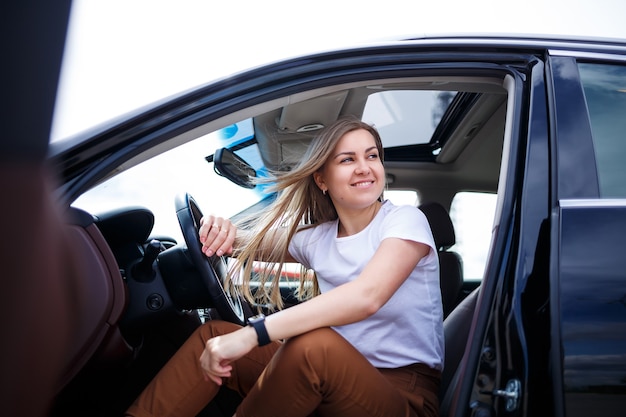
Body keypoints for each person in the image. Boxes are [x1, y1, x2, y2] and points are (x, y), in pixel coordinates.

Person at [125, 116, 444, 417]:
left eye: (371, 156)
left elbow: (367, 296)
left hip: (402, 396)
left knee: (312, 345)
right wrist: (216, 227)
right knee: (214, 339)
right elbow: (242, 242)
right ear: (322, 179)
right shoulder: (318, 238)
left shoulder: (404, 220)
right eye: (348, 159)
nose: (364, 168)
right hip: (332, 377)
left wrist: (254, 334)